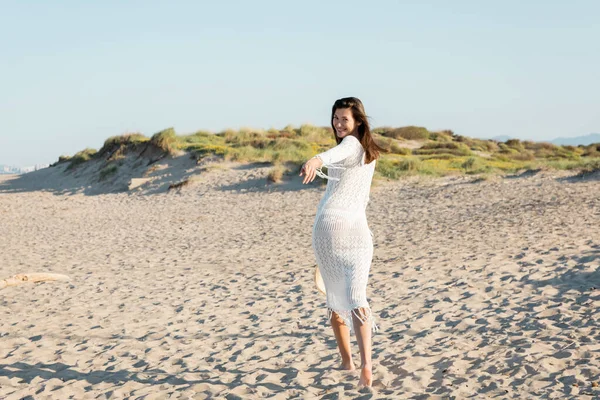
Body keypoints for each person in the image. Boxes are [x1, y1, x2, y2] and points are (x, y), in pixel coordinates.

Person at [300, 97, 382, 388]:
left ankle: (348, 362)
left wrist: (315, 160)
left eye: (344, 119)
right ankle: (365, 367)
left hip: (330, 228)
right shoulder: (367, 152)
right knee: (356, 298)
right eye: (335, 118)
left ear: (358, 121)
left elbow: (329, 155)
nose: (338, 124)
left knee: (336, 300)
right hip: (356, 230)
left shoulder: (350, 145)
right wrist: (321, 159)